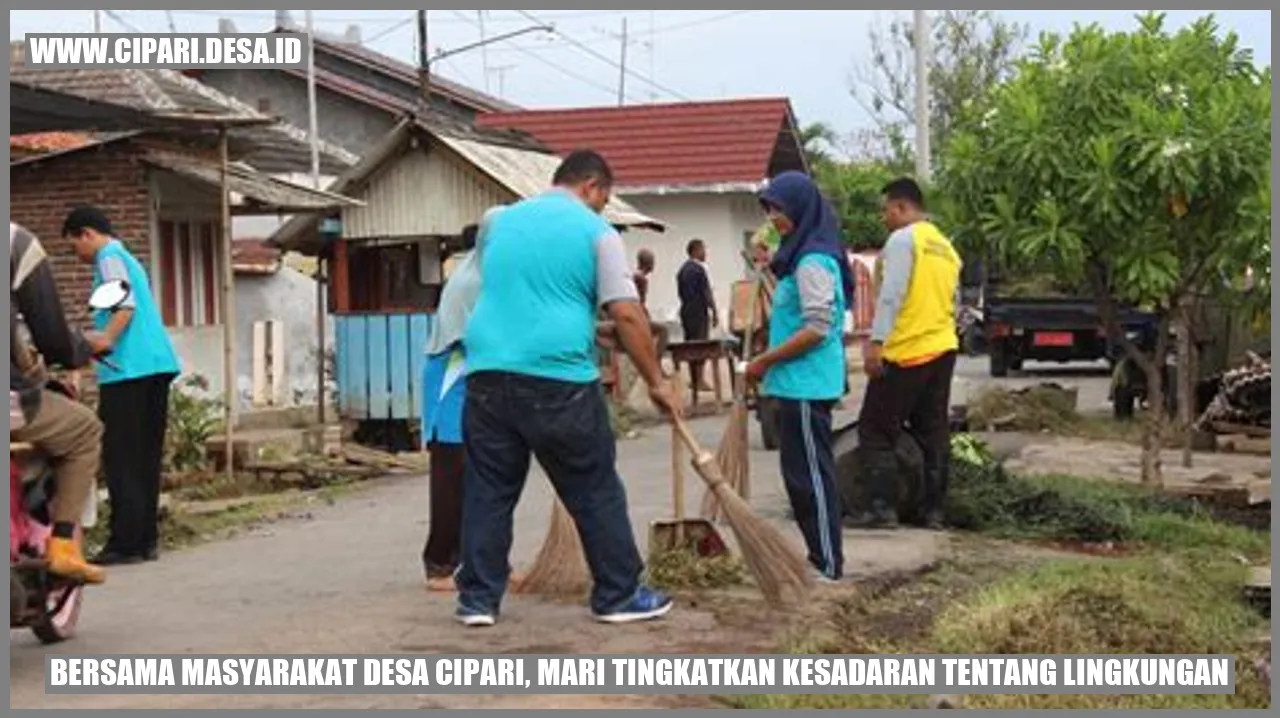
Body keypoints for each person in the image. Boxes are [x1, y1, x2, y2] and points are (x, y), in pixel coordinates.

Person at [457, 150, 681, 627]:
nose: (602, 209)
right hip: (557, 379)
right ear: (592, 187)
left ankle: (477, 599)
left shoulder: (500, 223)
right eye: (603, 200)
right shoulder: (596, 232)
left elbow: (518, 296)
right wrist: (658, 381)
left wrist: (584, 327)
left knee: (488, 489)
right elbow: (626, 313)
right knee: (594, 487)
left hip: (486, 371)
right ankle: (618, 595)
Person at [744, 172, 856, 583]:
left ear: (801, 210)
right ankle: (818, 557)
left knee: (811, 477)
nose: (773, 218)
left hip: (807, 385)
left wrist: (764, 361)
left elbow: (816, 329)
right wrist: (766, 262)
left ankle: (827, 562)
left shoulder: (812, 261)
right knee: (800, 477)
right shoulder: (801, 257)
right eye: (769, 209)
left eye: (779, 209)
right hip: (795, 385)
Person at [63, 206, 182, 565]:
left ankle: (125, 543)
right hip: (156, 365)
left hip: (129, 370)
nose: (77, 255)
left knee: (121, 457)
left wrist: (103, 341)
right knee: (145, 456)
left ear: (87, 234)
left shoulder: (108, 258)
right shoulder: (128, 258)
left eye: (74, 246)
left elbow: (124, 308)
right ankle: (145, 539)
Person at [850, 178, 962, 530]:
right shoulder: (946, 247)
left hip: (907, 351)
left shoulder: (903, 240)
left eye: (886, 209)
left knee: (876, 430)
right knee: (933, 432)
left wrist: (877, 343)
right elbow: (953, 302)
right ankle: (934, 512)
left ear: (902, 207)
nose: (883, 218)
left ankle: (881, 509)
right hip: (942, 348)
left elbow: (892, 295)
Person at [9, 222, 107, 584]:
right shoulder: (15, 242)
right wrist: (83, 345)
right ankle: (63, 547)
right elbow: (53, 340)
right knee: (86, 430)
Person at [419, 212, 505, 592]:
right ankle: (440, 565)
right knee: (452, 477)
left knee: (484, 480)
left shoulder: (490, 277)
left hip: (477, 379)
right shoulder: (472, 282)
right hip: (452, 379)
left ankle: (483, 565)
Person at [676, 239, 718, 390]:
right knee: (702, 345)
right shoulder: (699, 269)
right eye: (703, 249)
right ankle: (699, 380)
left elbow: (680, 293)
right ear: (695, 250)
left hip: (686, 311)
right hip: (699, 312)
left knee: (690, 346)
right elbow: (706, 292)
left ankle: (694, 379)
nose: (705, 253)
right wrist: (715, 311)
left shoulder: (682, 270)